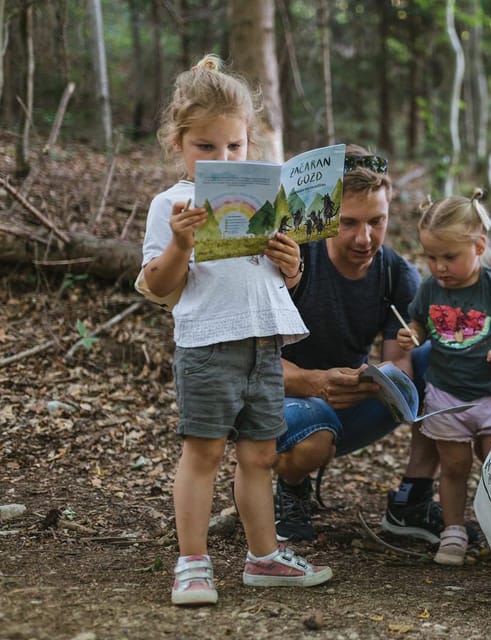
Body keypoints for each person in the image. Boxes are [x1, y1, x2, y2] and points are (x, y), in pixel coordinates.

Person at [141, 54, 332, 607]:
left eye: (234, 147)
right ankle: (193, 564)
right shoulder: (171, 205)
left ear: (249, 144)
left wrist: (291, 264)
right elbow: (158, 284)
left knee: (260, 456)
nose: (223, 158)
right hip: (207, 346)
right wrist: (180, 243)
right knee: (202, 454)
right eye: (206, 147)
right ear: (178, 144)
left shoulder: (267, 202)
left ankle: (263, 556)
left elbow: (274, 282)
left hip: (264, 345)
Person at [273, 144, 443, 544]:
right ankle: (291, 484)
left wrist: (380, 380)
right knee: (315, 429)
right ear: (328, 215)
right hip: (285, 399)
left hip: (349, 399)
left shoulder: (395, 273)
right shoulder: (296, 260)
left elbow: (400, 365)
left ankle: (412, 498)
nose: (365, 238)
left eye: (376, 221)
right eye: (348, 223)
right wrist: (316, 383)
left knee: (442, 359)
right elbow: (251, 365)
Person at [395, 189, 491, 566]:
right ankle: (453, 530)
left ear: (479, 246)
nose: (439, 266)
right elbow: (420, 323)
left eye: (449, 257)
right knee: (453, 466)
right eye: (431, 257)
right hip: (447, 396)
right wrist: (413, 335)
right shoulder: (429, 288)